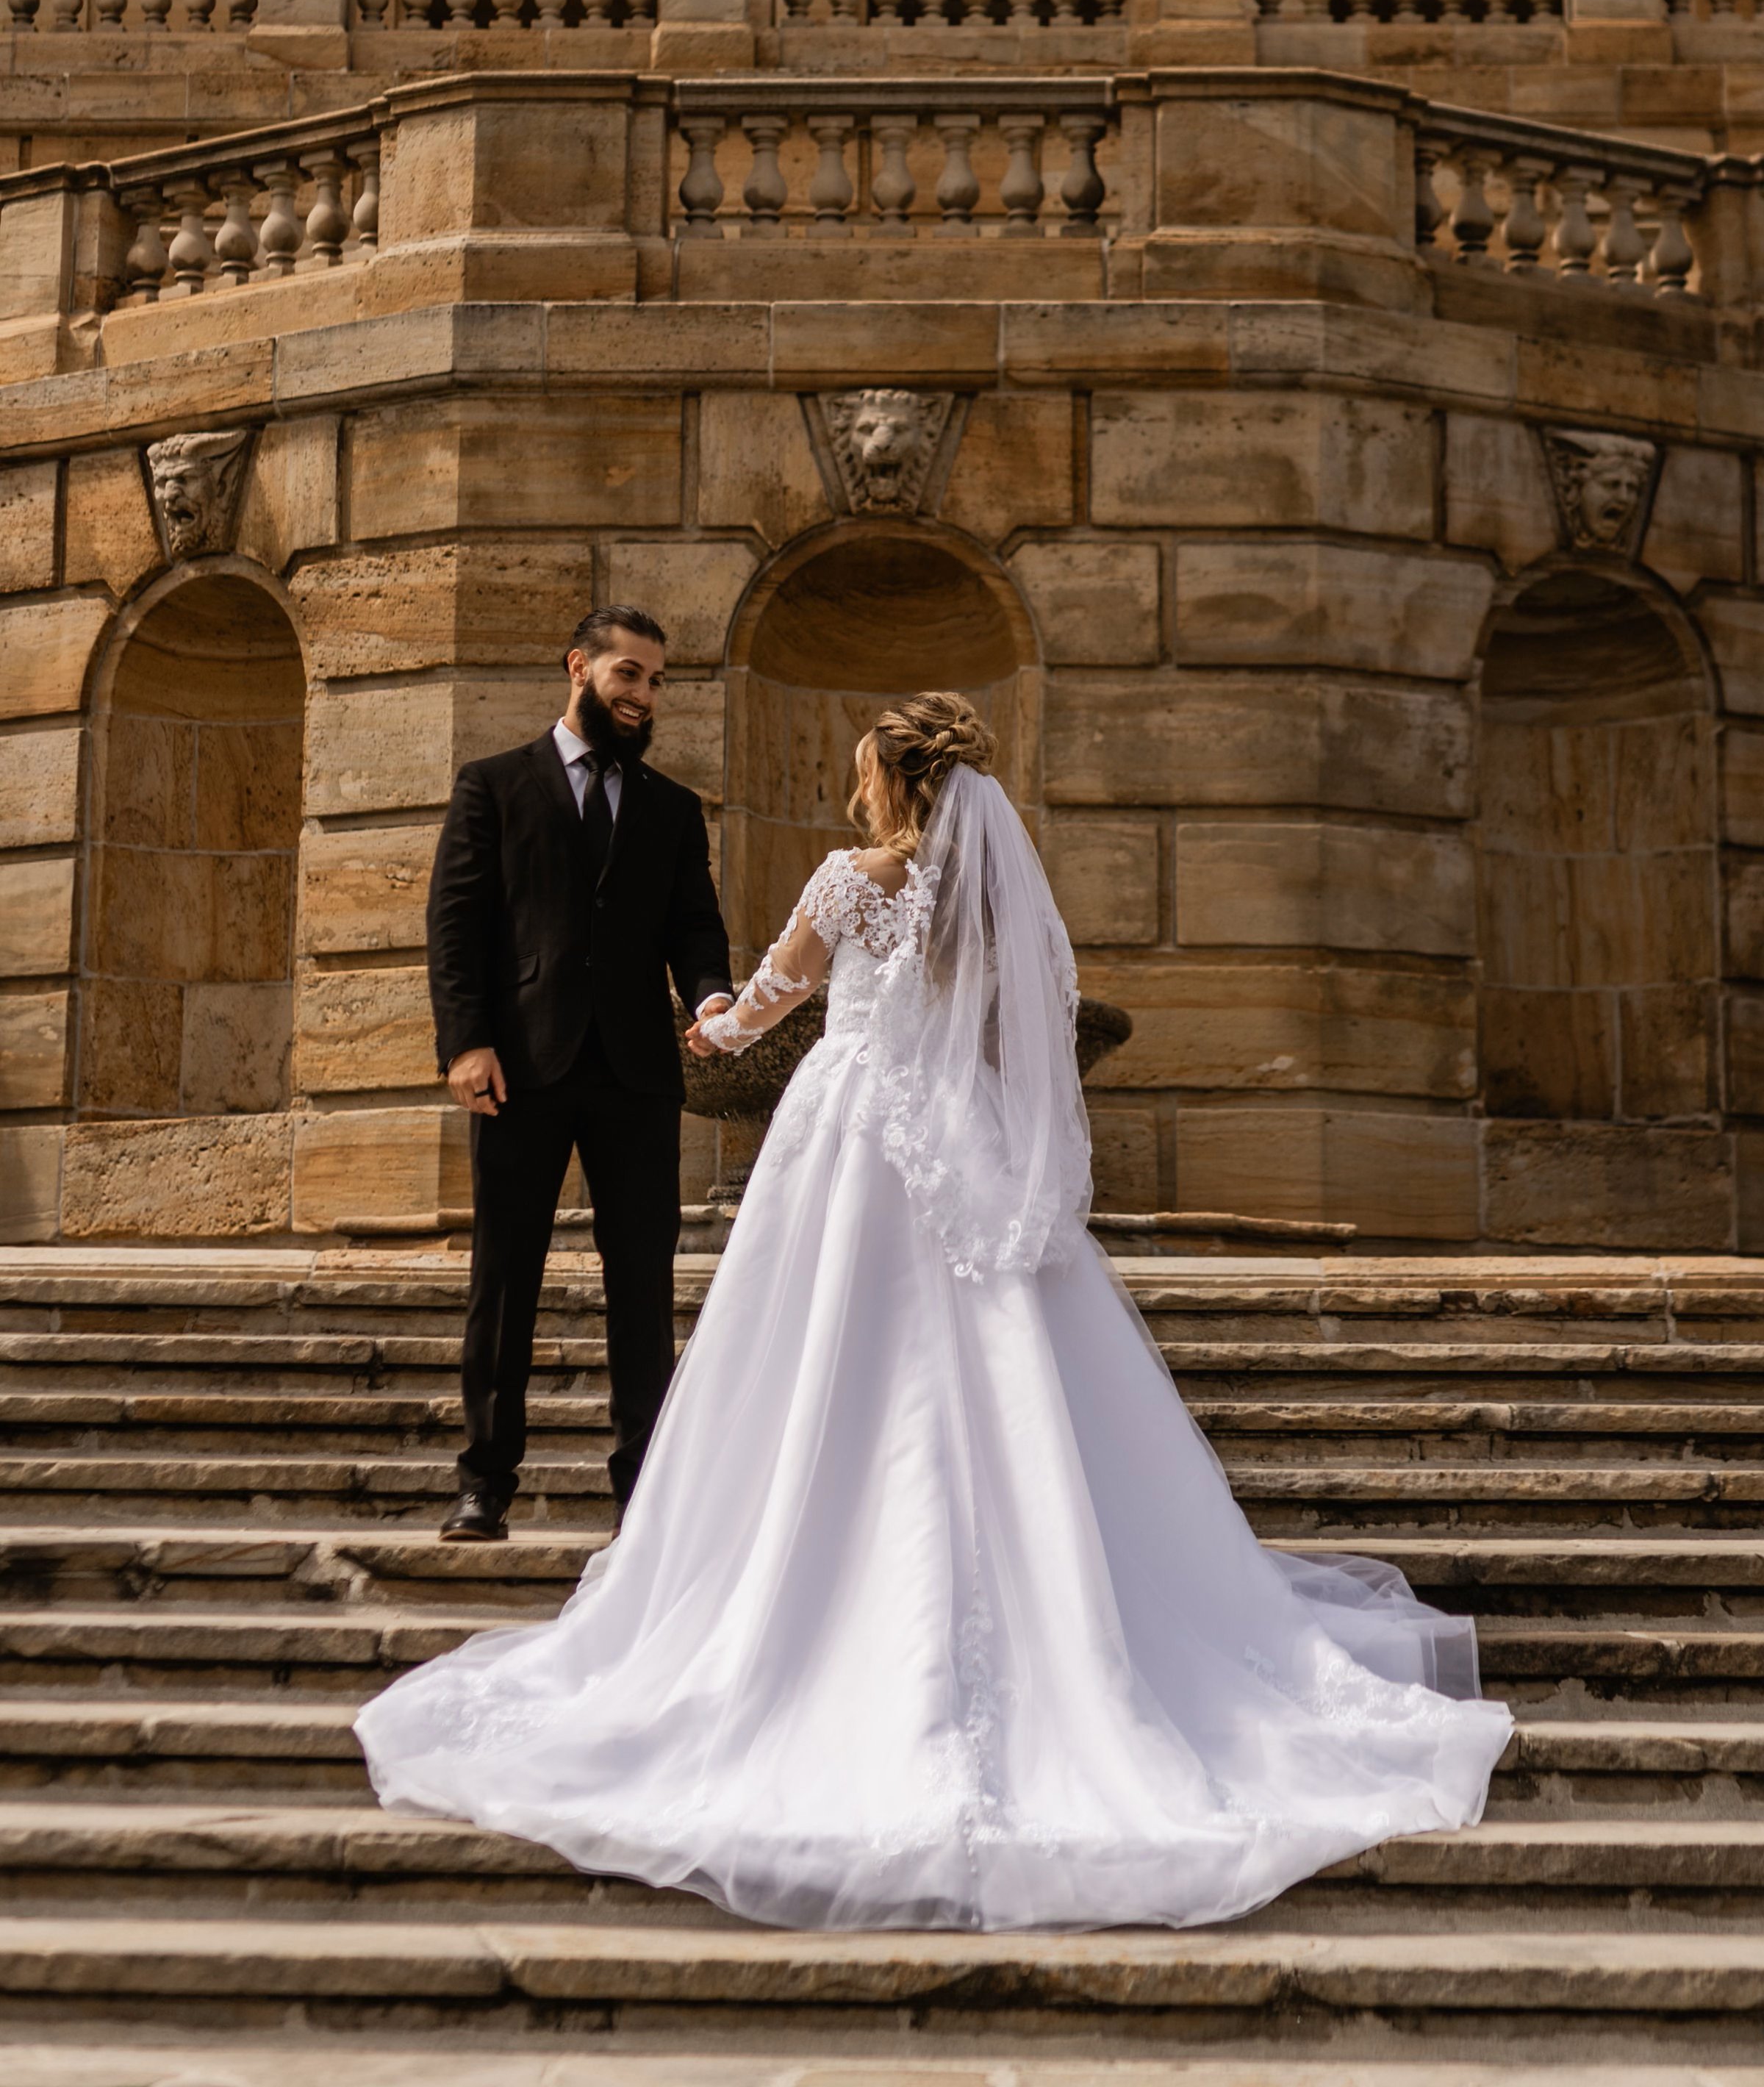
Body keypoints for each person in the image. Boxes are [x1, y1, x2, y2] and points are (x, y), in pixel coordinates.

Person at [361, 691, 1510, 1930]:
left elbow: (767, 1003)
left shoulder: (850, 879)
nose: (858, 790)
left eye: (866, 772)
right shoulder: (987, 897)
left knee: (825, 1368)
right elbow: (1027, 1035)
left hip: (854, 1140)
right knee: (1000, 1368)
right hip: (955, 1136)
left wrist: (710, 1023)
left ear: (894, 782)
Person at [424, 605, 734, 1542]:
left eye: (655, 681)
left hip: (637, 1075)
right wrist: (464, 1043)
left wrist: (713, 995)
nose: (643, 695)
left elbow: (695, 925)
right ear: (579, 669)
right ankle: (484, 1482)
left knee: (642, 1286)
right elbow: (457, 927)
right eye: (628, 675)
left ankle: (644, 1492)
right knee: (504, 1278)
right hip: (521, 1067)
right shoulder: (493, 787)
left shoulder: (673, 811)